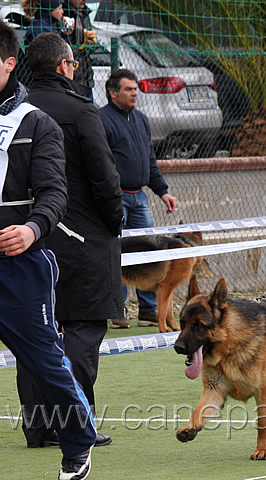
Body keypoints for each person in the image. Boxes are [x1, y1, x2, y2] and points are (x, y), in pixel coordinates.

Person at [16, 31, 123, 450]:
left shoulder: (15, 112)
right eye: (74, 64)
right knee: (81, 329)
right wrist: (114, 222)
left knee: (33, 329)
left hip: (27, 237)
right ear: (65, 66)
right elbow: (105, 177)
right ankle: (74, 425)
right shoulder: (81, 111)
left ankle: (39, 426)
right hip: (81, 238)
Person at [0, 21, 95, 480]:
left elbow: (55, 194)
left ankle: (77, 447)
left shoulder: (37, 123)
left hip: (19, 268)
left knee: (43, 363)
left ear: (9, 64)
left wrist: (32, 231)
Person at [99, 68, 177, 329]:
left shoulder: (142, 120)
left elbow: (150, 161)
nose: (135, 93)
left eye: (136, 89)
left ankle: (147, 310)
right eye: (129, 89)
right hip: (116, 199)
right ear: (113, 93)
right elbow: (100, 163)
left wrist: (162, 191)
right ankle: (117, 311)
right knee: (116, 253)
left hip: (140, 198)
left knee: (150, 254)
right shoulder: (101, 120)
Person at [63, 0, 97, 98]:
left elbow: (90, 48)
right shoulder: (61, 15)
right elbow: (62, 49)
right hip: (71, 80)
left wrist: (90, 44)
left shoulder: (83, 14)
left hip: (86, 78)